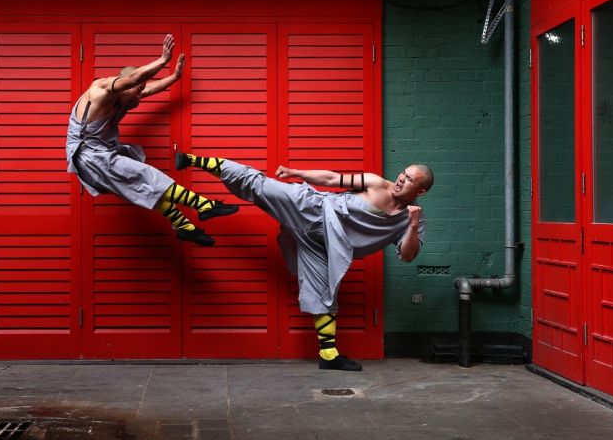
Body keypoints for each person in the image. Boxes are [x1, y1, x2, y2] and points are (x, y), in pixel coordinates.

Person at [175, 152, 433, 371]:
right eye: (403, 173)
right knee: (259, 185)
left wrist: (410, 224)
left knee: (325, 293)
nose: (402, 179)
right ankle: (192, 160)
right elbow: (332, 178)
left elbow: (407, 255)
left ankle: (329, 356)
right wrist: (295, 171)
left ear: (420, 191)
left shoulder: (413, 220)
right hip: (312, 209)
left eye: (410, 179)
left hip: (324, 246)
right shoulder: (377, 184)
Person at [66, 34, 238, 246]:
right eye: (137, 91)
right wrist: (162, 60)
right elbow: (134, 79)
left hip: (100, 153)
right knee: (148, 174)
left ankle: (183, 225)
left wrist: (174, 77)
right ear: (126, 85)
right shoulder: (100, 89)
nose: (140, 97)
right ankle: (203, 205)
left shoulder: (125, 95)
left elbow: (146, 88)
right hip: (89, 155)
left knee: (144, 187)